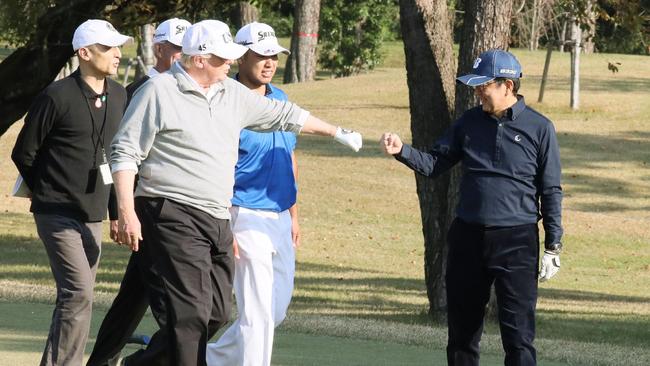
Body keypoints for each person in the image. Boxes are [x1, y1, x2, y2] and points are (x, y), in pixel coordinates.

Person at [110, 19, 362, 366]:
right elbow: (124, 153)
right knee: (191, 313)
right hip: (170, 210)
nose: (230, 62)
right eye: (222, 57)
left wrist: (336, 131)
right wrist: (126, 212)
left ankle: (143, 364)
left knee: (215, 313)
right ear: (199, 59)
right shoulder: (158, 92)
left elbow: (285, 115)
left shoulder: (231, 93)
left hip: (215, 218)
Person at [380, 49, 563, 366]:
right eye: (476, 85)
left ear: (507, 85)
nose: (477, 90)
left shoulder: (540, 128)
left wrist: (553, 244)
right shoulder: (468, 123)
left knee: (518, 338)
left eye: (484, 85)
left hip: (517, 242)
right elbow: (435, 164)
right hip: (468, 237)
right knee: (462, 335)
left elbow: (550, 189)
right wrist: (402, 151)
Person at [11, 19, 131, 366]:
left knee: (77, 298)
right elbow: (24, 152)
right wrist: (46, 189)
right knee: (78, 294)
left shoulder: (120, 95)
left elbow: (116, 157)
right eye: (109, 48)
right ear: (85, 53)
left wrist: (114, 213)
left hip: (93, 213)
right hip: (57, 213)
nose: (118, 54)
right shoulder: (56, 95)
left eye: (118, 47)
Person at [85, 17, 190, 366]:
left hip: (177, 209)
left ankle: (105, 362)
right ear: (159, 49)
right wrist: (119, 209)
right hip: (148, 208)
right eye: (176, 48)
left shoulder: (192, 90)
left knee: (134, 297)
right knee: (169, 303)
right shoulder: (138, 90)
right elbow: (114, 154)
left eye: (188, 49)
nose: (182, 55)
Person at [205, 22, 299, 366]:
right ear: (241, 56)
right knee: (257, 313)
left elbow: (288, 157)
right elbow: (216, 165)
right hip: (242, 212)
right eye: (261, 55)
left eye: (273, 55)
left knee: (274, 311)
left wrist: (294, 215)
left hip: (279, 214)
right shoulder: (224, 99)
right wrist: (224, 221)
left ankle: (208, 359)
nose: (269, 62)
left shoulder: (281, 98)